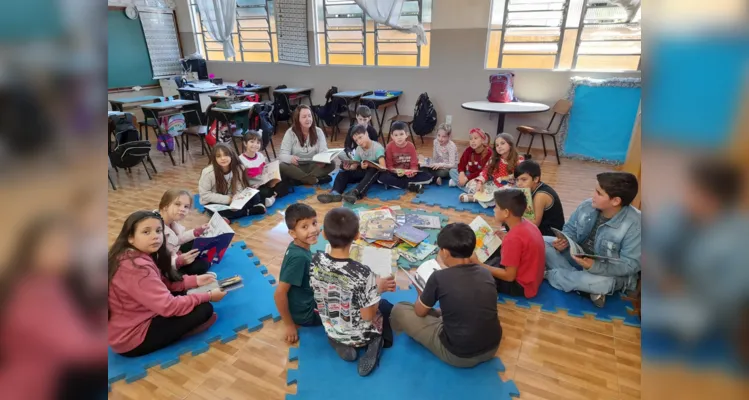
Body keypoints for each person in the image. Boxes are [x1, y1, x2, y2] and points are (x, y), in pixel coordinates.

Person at [108, 211, 226, 357]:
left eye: (158, 231)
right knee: (204, 309)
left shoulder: (132, 254)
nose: (155, 236)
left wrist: (195, 281)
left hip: (137, 318)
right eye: (146, 232)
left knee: (187, 294)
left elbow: (163, 283)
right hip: (133, 338)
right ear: (130, 237)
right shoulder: (136, 268)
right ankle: (181, 333)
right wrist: (208, 296)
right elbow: (169, 306)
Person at [390, 223, 501, 367]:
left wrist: (420, 293)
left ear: (446, 253)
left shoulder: (439, 277)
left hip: (459, 355)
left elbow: (419, 311)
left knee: (400, 309)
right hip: (492, 347)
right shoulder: (486, 274)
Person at [310, 207, 397, 376]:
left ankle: (338, 342)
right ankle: (374, 343)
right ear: (357, 236)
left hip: (331, 327)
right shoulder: (364, 274)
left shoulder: (315, 260)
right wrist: (377, 289)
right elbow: (368, 316)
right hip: (360, 334)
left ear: (324, 235)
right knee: (385, 308)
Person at [544, 172, 641, 308]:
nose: (593, 195)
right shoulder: (587, 205)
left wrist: (593, 266)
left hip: (608, 272)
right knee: (541, 241)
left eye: (599, 193)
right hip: (578, 257)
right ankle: (584, 286)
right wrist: (564, 241)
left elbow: (631, 264)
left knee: (603, 283)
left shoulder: (635, 224)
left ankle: (548, 275)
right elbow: (570, 228)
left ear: (616, 201)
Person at [471, 189, 545, 298]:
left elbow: (509, 276)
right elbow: (522, 244)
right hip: (534, 278)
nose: (494, 210)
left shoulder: (512, 239)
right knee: (493, 253)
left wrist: (480, 265)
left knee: (476, 274)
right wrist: (506, 238)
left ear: (506, 212)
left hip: (522, 286)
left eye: (496, 207)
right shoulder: (527, 223)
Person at [273, 204, 321, 345]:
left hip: (308, 297)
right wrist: (289, 325)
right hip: (306, 312)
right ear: (293, 233)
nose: (313, 230)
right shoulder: (298, 258)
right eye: (304, 227)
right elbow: (279, 294)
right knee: (345, 311)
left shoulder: (297, 245)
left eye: (314, 223)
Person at [318, 124, 386, 205]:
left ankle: (355, 193)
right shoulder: (358, 148)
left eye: (360, 137)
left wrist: (370, 165)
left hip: (374, 175)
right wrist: (348, 168)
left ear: (367, 134)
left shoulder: (377, 148)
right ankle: (335, 193)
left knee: (373, 170)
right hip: (362, 171)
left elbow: (383, 167)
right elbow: (355, 165)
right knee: (343, 171)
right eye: (356, 140)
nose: (359, 142)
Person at [199, 143, 267, 219]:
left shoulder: (239, 167)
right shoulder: (208, 173)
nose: (223, 158)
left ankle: (226, 216)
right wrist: (229, 200)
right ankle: (249, 211)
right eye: (218, 156)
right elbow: (204, 195)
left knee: (255, 195)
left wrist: (236, 201)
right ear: (214, 158)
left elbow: (239, 186)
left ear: (231, 155)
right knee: (213, 209)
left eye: (225, 155)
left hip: (233, 197)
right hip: (215, 200)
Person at [460, 133, 523, 207]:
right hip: (494, 185)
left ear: (510, 144)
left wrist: (507, 178)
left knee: (503, 197)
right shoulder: (494, 158)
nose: (499, 147)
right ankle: (481, 197)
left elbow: (521, 176)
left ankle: (476, 198)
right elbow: (485, 171)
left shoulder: (519, 160)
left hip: (510, 187)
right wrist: (480, 183)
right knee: (475, 184)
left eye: (502, 143)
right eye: (497, 145)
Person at [157, 189, 211, 275]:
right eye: (177, 204)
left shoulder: (171, 221)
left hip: (173, 253)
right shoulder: (156, 229)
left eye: (186, 206)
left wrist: (196, 232)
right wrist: (178, 261)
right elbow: (158, 261)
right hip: (164, 268)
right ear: (165, 206)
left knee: (198, 241)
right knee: (202, 265)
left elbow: (177, 239)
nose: (182, 209)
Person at [279, 105, 335, 185]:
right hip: (297, 167)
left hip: (314, 165)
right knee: (282, 165)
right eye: (304, 117)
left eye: (309, 116)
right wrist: (290, 158)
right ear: (297, 119)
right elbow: (282, 155)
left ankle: (302, 179)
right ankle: (313, 179)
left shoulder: (318, 131)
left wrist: (323, 160)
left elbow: (324, 150)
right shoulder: (290, 133)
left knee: (332, 163)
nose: (308, 119)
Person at [377, 121, 433, 193]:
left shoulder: (410, 146)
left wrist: (412, 172)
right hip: (395, 173)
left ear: (406, 134)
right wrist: (396, 171)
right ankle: (410, 186)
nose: (399, 137)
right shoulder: (389, 146)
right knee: (381, 178)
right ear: (392, 136)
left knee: (428, 176)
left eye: (401, 134)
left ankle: (395, 184)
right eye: (396, 135)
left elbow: (414, 164)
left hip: (408, 173)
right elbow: (389, 166)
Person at [513, 160, 565, 237]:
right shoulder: (530, 187)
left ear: (536, 179)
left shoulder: (541, 195)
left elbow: (534, 224)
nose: (519, 184)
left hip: (551, 237)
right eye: (517, 180)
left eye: (524, 180)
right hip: (540, 230)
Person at [240, 130, 289, 205]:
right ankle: (273, 196)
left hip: (264, 182)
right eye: (252, 142)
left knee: (284, 178)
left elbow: (265, 170)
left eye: (258, 142)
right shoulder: (241, 160)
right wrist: (251, 186)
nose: (255, 145)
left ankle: (272, 197)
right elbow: (240, 179)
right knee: (264, 193)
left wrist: (272, 177)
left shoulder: (260, 155)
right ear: (245, 143)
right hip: (253, 187)